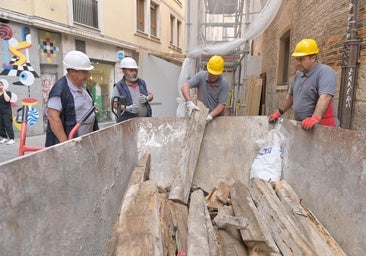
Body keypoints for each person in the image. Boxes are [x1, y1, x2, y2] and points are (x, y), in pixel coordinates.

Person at [269, 38, 339, 130]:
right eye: (297, 59)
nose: (298, 63)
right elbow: (290, 97)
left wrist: (315, 118)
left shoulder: (325, 72)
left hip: (323, 126)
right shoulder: (298, 74)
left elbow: (325, 97)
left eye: (301, 59)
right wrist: (279, 112)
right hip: (305, 125)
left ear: (313, 58)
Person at [45, 50, 99, 147]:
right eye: (85, 72)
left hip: (85, 142)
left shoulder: (82, 86)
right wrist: (66, 145)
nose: (88, 75)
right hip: (73, 144)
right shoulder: (60, 90)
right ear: (72, 72)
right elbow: (53, 118)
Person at [181, 55, 229, 121]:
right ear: (208, 69)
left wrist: (210, 115)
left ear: (220, 73)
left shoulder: (224, 83)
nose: (213, 76)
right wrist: (189, 102)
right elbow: (185, 86)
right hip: (200, 115)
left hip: (216, 118)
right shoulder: (201, 76)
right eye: (211, 73)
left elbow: (221, 105)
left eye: (215, 75)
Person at [112, 57, 153, 122]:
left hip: (145, 121)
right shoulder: (119, 86)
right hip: (128, 123)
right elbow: (114, 104)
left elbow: (151, 95)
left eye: (135, 70)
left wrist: (147, 98)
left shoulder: (142, 83)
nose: (134, 73)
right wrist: (126, 108)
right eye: (131, 70)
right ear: (124, 72)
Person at [0, 78, 15, 145]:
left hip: (6, 112)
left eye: (1, 85)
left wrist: (4, 90)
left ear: (3, 86)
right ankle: (4, 137)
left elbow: (7, 100)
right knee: (1, 125)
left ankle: (12, 138)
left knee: (8, 125)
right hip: (0, 112)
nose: (0, 86)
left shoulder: (8, 93)